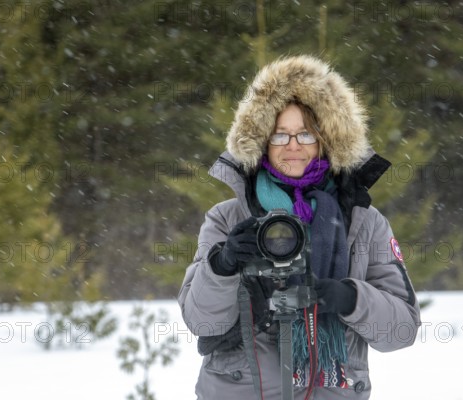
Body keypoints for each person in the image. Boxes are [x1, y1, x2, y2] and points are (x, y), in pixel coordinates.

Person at [178, 55, 421, 400]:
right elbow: (202, 323)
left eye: (305, 134)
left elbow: (402, 331)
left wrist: (351, 298)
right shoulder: (228, 219)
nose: (293, 146)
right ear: (262, 142)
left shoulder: (363, 223)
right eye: (280, 136)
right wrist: (223, 265)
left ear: (326, 139)